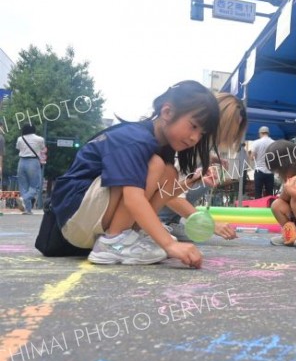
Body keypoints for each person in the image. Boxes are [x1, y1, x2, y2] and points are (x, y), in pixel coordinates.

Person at [49, 80, 222, 267]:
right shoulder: (136, 139)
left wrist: (192, 181)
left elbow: (165, 194)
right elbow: (133, 198)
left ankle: (129, 237)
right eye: (193, 126)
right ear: (167, 112)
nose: (195, 138)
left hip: (89, 216)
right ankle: (113, 241)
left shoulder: (163, 148)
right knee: (155, 165)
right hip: (74, 214)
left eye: (201, 134)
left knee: (169, 172)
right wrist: (169, 244)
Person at [158, 92, 248, 242]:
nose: (231, 134)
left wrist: (209, 160)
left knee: (207, 175)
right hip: (147, 204)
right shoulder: (187, 141)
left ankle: (169, 221)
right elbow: (170, 195)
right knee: (201, 176)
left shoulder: (198, 143)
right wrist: (210, 224)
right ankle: (157, 221)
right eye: (231, 127)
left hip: (157, 196)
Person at [16, 123, 45, 214]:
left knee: (23, 186)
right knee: (35, 186)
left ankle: (27, 210)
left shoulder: (20, 139)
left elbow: (18, 148)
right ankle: (23, 199)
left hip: (21, 162)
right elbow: (42, 148)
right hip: (33, 162)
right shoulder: (40, 139)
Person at [249, 126, 274, 198]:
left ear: (260, 133)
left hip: (259, 171)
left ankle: (258, 208)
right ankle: (269, 208)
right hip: (270, 171)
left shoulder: (256, 142)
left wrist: (249, 154)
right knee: (269, 193)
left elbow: (252, 158)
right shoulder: (273, 143)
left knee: (258, 192)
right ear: (268, 133)